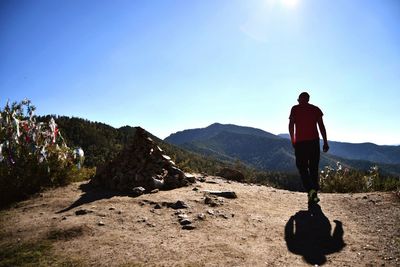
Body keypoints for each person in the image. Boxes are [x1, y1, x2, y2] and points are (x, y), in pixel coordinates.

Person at [289, 92, 329, 205]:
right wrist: (325, 142)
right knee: (313, 167)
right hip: (314, 142)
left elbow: (291, 125)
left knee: (302, 167)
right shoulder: (315, 109)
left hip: (301, 143)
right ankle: (313, 192)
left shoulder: (295, 109)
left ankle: (311, 190)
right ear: (308, 99)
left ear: (299, 99)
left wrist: (293, 140)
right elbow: (321, 126)